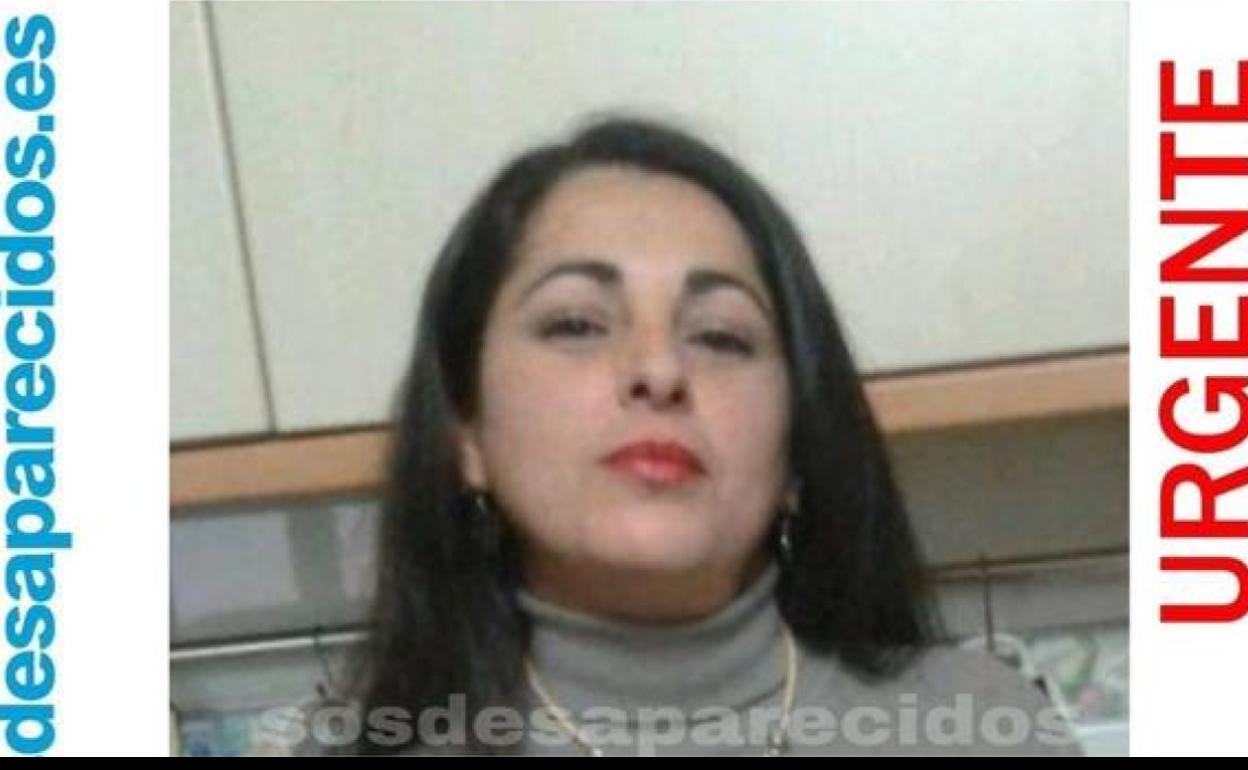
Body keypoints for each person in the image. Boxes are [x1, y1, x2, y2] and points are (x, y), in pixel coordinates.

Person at [342, 117, 1079, 756]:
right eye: (577, 324)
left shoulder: (988, 729)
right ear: (465, 432)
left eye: (721, 336)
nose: (659, 370)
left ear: (797, 447)